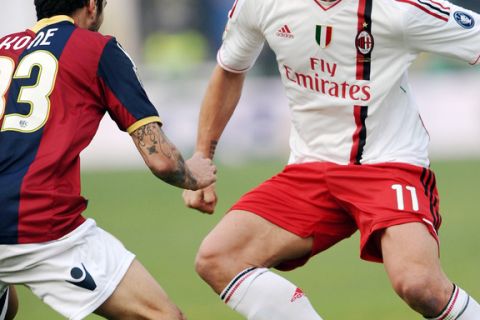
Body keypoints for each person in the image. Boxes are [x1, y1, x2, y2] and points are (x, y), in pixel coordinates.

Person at [183, 0, 480, 318]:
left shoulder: (398, 9)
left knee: (419, 284)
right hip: (310, 168)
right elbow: (230, 70)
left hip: (388, 164)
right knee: (217, 258)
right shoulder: (262, 4)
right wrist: (202, 154)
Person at [0, 0, 216, 319]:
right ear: (91, 5)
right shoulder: (98, 49)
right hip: (38, 225)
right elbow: (162, 161)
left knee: (8, 306)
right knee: (162, 316)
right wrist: (194, 175)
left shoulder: (4, 47)